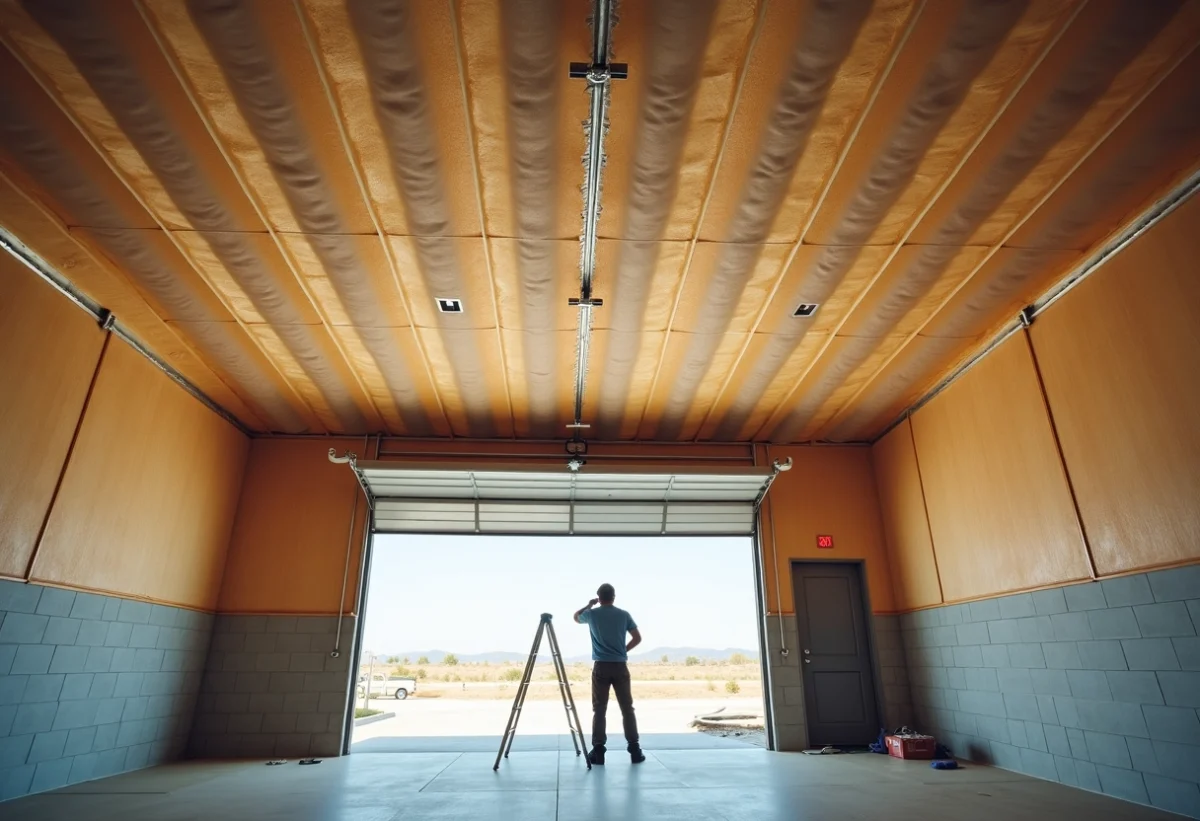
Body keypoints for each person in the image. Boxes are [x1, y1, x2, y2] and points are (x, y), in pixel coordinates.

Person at [573, 583, 644, 765]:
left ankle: (598, 751)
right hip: (620, 666)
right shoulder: (623, 615)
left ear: (599, 596)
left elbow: (576, 617)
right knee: (627, 708)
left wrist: (589, 605)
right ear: (614, 596)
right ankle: (635, 750)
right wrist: (623, 651)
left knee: (599, 709)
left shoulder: (592, 615)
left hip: (601, 667)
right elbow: (637, 638)